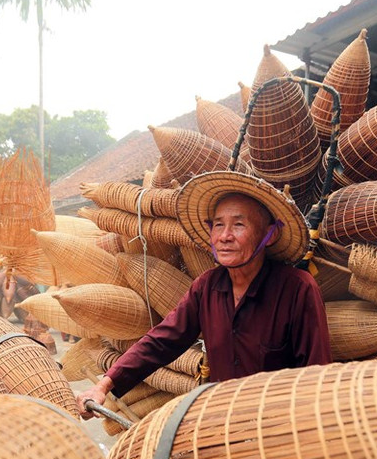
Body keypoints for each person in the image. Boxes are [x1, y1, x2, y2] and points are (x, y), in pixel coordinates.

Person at [76, 170, 332, 418]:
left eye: (238, 225)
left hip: (278, 425)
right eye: (218, 225)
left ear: (270, 234)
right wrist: (104, 385)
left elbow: (315, 373)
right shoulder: (207, 287)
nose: (225, 236)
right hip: (221, 421)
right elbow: (162, 341)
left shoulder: (297, 288)